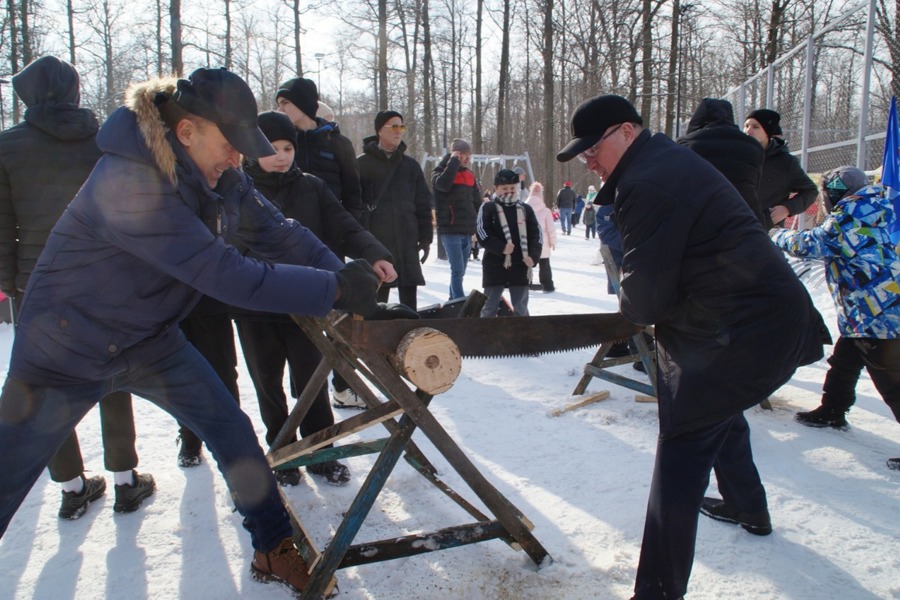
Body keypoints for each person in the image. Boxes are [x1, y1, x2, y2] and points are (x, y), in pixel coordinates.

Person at [0, 67, 381, 596]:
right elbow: (230, 277)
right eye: (230, 144)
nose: (238, 158)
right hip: (64, 348)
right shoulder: (128, 181)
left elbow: (277, 232)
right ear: (187, 132)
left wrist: (343, 275)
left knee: (231, 429)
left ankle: (273, 547)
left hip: (148, 337)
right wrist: (335, 290)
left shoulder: (221, 175)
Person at [557, 94, 826, 600]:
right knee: (716, 417)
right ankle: (748, 506)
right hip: (749, 323)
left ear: (628, 132)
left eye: (593, 147)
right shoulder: (660, 162)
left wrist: (630, 291)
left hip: (743, 331)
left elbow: (646, 298)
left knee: (679, 459)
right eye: (582, 152)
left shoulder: (647, 180)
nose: (587, 158)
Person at [0, 55, 152, 519]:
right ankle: (126, 480)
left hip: (38, 283)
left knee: (45, 383)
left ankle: (70, 488)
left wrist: (11, 284)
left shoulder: (6, 146)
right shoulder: (105, 139)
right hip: (108, 277)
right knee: (113, 373)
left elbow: (3, 226)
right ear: (74, 91)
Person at [236, 110, 397, 484]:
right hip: (255, 305)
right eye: (271, 147)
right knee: (267, 380)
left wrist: (375, 254)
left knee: (312, 377)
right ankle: (281, 451)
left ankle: (322, 452)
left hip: (309, 300)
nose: (281, 155)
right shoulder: (238, 189)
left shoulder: (310, 186)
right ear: (249, 149)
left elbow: (344, 224)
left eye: (288, 147)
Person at [770, 167, 900, 470]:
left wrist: (776, 233)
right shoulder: (873, 208)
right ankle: (833, 408)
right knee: (844, 361)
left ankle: (833, 407)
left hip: (875, 316)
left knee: (891, 383)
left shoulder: (848, 218)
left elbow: (811, 244)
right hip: (872, 309)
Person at [357, 110, 433, 311]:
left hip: (407, 242)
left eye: (402, 126)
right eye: (394, 126)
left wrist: (425, 238)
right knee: (376, 301)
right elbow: (353, 204)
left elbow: (423, 204)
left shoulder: (411, 166)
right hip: (376, 242)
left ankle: (413, 339)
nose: (399, 131)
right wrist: (360, 239)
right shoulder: (361, 164)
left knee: (409, 302)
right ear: (380, 130)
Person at [275, 77, 362, 221]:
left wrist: (348, 232)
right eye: (278, 104)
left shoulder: (339, 143)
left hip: (332, 231)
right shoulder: (280, 143)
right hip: (290, 233)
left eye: (285, 102)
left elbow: (353, 195)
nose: (280, 110)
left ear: (303, 103)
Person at [678, 98, 766, 226]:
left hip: (700, 219)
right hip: (745, 217)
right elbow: (754, 183)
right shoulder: (753, 147)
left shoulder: (687, 144)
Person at [476, 169, 542, 317]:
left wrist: (534, 256)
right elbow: (482, 233)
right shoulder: (488, 208)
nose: (509, 191)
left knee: (521, 307)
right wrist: (501, 247)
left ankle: (523, 336)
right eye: (504, 188)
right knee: (489, 306)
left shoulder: (526, 209)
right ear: (496, 188)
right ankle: (486, 336)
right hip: (494, 264)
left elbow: (536, 235)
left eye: (512, 188)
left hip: (520, 264)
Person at [743, 108, 817, 228]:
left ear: (767, 131)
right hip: (733, 230)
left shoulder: (785, 162)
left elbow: (810, 191)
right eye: (746, 126)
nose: (748, 131)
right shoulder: (736, 156)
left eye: (756, 127)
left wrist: (787, 208)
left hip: (765, 232)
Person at [432, 138, 482, 300]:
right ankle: (459, 301)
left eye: (469, 155)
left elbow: (476, 202)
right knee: (457, 270)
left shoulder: (470, 175)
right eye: (463, 155)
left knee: (461, 271)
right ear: (455, 155)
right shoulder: (440, 172)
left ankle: (452, 301)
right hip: (450, 229)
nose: (467, 158)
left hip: (466, 230)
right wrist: (453, 162)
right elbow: (443, 185)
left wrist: (477, 225)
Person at [526, 182, 556, 293]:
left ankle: (526, 283)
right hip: (543, 241)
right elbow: (550, 229)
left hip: (528, 241)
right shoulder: (546, 211)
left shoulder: (524, 209)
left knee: (527, 263)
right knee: (544, 264)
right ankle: (547, 285)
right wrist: (553, 241)